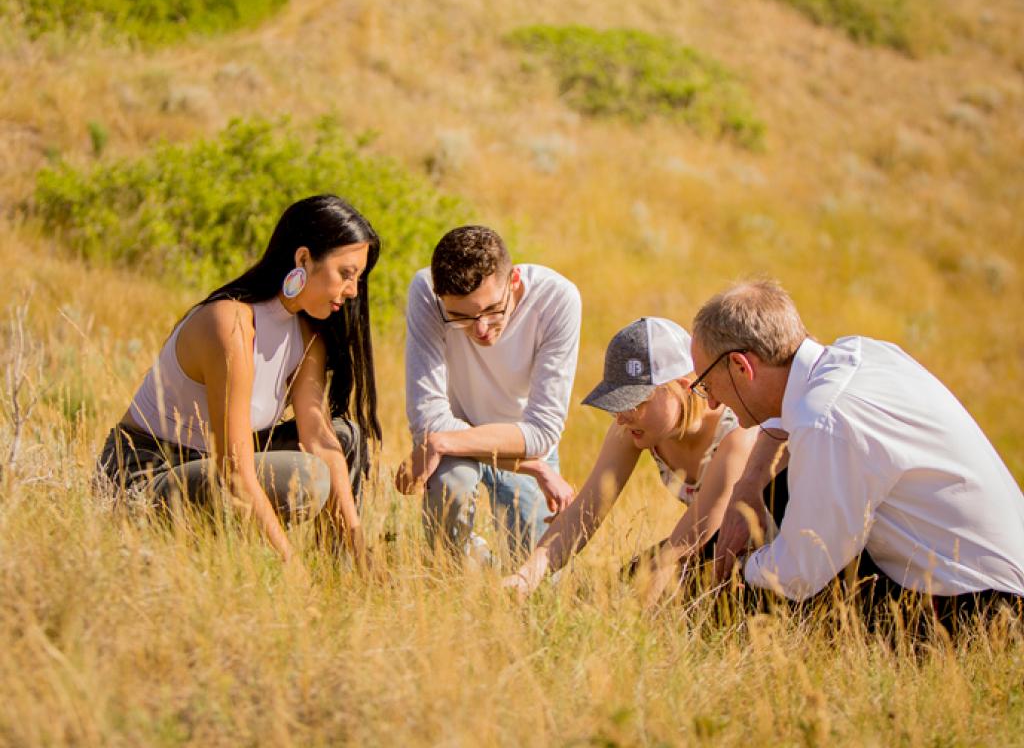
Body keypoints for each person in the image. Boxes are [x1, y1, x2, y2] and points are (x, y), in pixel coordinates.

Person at [690, 279, 1024, 627]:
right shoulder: (860, 355)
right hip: (995, 580)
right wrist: (750, 482)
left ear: (743, 367)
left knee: (752, 594)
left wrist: (739, 572)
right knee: (784, 493)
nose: (712, 402)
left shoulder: (826, 419)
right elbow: (784, 415)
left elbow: (799, 573)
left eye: (707, 384)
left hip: (987, 612)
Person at [97, 194, 381, 567]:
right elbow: (234, 470)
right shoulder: (230, 324)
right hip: (148, 473)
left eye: (357, 278)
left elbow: (320, 441)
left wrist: (360, 549)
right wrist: (290, 569)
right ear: (303, 259)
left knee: (343, 438)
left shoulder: (308, 333)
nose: (353, 291)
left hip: (211, 467)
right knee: (306, 477)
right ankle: (272, 569)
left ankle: (342, 573)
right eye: (346, 274)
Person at [505, 317, 758, 601]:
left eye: (636, 402)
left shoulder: (736, 436)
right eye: (617, 403)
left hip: (764, 558)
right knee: (606, 595)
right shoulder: (635, 426)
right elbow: (586, 511)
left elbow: (693, 538)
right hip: (705, 549)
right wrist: (528, 574)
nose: (621, 416)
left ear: (685, 388)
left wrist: (633, 607)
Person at [395, 225, 581, 562]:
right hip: (475, 447)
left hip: (516, 440)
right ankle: (470, 577)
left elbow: (541, 432)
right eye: (460, 317)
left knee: (536, 580)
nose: (480, 329)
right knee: (450, 529)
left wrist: (441, 441)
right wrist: (534, 468)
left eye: (493, 309)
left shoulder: (558, 299)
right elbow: (428, 419)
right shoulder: (426, 292)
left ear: (514, 281)